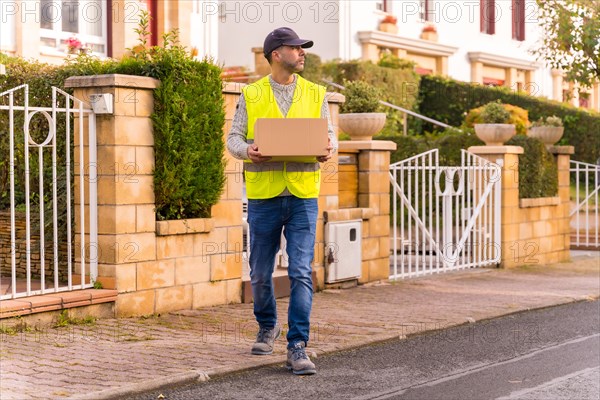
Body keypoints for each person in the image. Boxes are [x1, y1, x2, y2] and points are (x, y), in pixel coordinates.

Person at [227, 27, 337, 375]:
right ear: (276, 54)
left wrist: (327, 149)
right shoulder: (252, 93)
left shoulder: (316, 93)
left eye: (303, 48)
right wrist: (249, 151)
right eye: (296, 48)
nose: (302, 53)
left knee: (302, 271)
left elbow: (329, 134)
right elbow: (233, 139)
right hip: (264, 197)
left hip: (303, 194)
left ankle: (297, 345)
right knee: (260, 273)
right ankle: (267, 325)